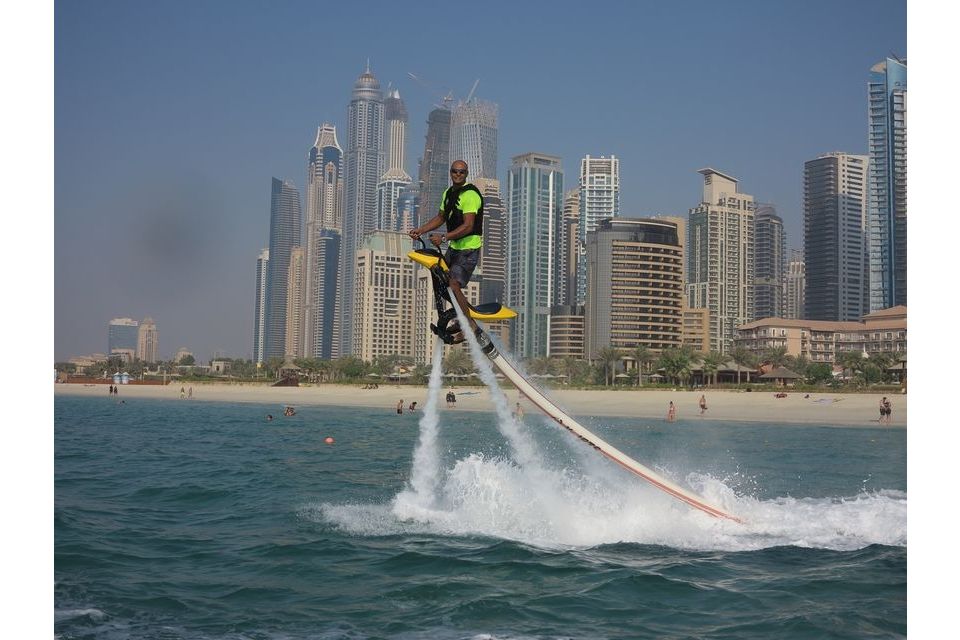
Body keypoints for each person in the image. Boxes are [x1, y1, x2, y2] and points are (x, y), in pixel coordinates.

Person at [408, 159, 484, 342]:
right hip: (454, 248)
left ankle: (469, 326)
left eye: (462, 172)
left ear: (466, 174)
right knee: (443, 286)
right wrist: (421, 230)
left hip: (468, 249)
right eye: (455, 171)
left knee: (453, 283)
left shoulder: (470, 195)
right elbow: (441, 217)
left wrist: (443, 238)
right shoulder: (449, 193)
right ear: (451, 173)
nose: (458, 174)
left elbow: (468, 226)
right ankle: (462, 316)